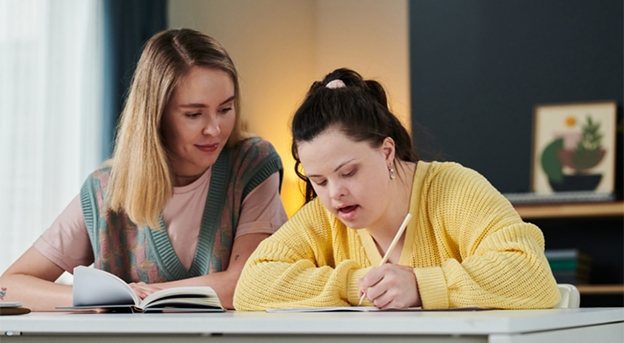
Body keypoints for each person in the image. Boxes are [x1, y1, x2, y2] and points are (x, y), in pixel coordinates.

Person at [0, 29, 287, 311]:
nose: (214, 129)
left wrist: (140, 295)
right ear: (156, 116)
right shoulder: (105, 191)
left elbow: (246, 282)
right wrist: (93, 298)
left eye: (225, 109)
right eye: (194, 114)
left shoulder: (252, 163)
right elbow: (8, 287)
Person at [233, 68, 560, 310]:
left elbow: (532, 274)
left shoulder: (454, 190)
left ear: (386, 152)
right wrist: (353, 284)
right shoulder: (325, 216)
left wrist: (421, 285)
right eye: (319, 181)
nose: (334, 194)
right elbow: (252, 285)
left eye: (347, 172)